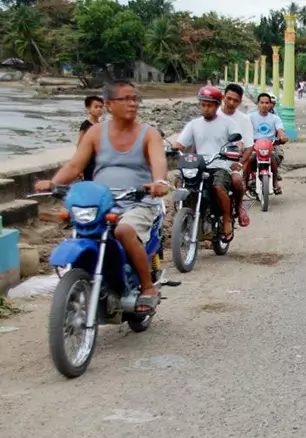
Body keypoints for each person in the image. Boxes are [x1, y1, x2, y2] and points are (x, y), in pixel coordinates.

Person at [34, 80, 169, 313]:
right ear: (108, 105)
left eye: (135, 98)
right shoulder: (95, 132)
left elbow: (159, 162)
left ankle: (147, 287)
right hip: (102, 203)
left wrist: (159, 182)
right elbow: (76, 165)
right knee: (79, 228)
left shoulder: (149, 134)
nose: (132, 103)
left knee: (124, 231)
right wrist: (53, 183)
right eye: (125, 99)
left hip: (138, 203)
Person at [172, 86, 245, 241]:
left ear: (217, 105)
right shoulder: (193, 124)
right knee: (179, 183)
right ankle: (185, 217)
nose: (206, 108)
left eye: (209, 105)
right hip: (197, 166)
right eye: (203, 104)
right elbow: (180, 144)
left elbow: (238, 143)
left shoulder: (228, 123)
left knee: (217, 186)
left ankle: (226, 218)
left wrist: (235, 152)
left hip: (220, 164)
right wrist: (171, 149)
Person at [217, 83, 254, 219]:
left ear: (240, 102)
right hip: (211, 160)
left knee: (237, 180)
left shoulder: (244, 120)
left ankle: (239, 207)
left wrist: (240, 163)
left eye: (235, 100)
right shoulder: (213, 115)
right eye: (229, 98)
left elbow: (249, 146)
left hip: (232, 162)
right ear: (223, 97)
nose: (231, 102)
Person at [248, 92, 288, 195]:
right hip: (254, 145)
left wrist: (282, 137)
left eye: (267, 103)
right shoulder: (250, 117)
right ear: (258, 103)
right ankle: (244, 181)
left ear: (270, 104)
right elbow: (244, 130)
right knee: (247, 159)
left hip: (270, 145)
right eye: (262, 102)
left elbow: (280, 130)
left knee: (274, 157)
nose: (264, 105)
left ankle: (274, 181)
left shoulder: (275, 118)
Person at [77, 95, 104, 181]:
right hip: (89, 161)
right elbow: (80, 145)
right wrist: (80, 167)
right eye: (96, 107)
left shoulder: (101, 125)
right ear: (88, 109)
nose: (99, 109)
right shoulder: (86, 125)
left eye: (101, 107)